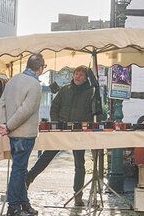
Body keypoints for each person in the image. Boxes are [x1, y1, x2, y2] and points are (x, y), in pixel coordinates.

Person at [25, 65, 100, 207]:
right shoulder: (65, 90)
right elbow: (54, 107)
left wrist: (87, 125)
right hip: (62, 130)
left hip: (79, 132)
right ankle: (28, 178)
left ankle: (78, 195)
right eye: (76, 74)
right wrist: (56, 122)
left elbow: (94, 112)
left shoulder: (91, 92)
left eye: (81, 75)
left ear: (86, 78)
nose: (77, 77)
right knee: (47, 156)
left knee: (79, 164)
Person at [0, 53, 44, 216]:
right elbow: (26, 110)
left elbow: (1, 105)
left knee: (20, 169)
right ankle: (14, 207)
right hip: (24, 133)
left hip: (12, 133)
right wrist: (8, 126)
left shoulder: (13, 80)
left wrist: (4, 124)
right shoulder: (35, 85)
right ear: (40, 68)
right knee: (19, 170)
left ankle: (24, 203)